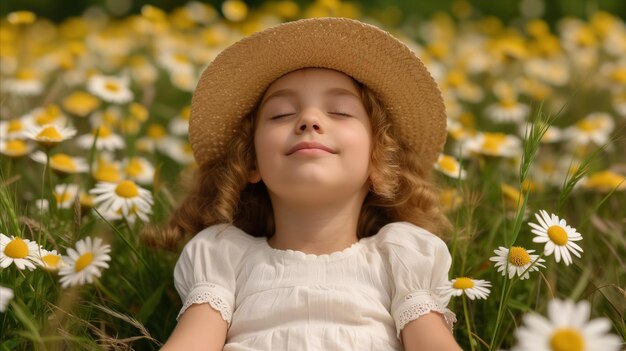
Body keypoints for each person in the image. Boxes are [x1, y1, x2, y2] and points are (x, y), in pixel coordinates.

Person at [158, 17, 461, 351]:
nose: (309, 120)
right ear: (251, 162)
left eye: (341, 111)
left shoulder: (400, 257)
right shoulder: (224, 257)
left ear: (379, 160)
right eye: (280, 114)